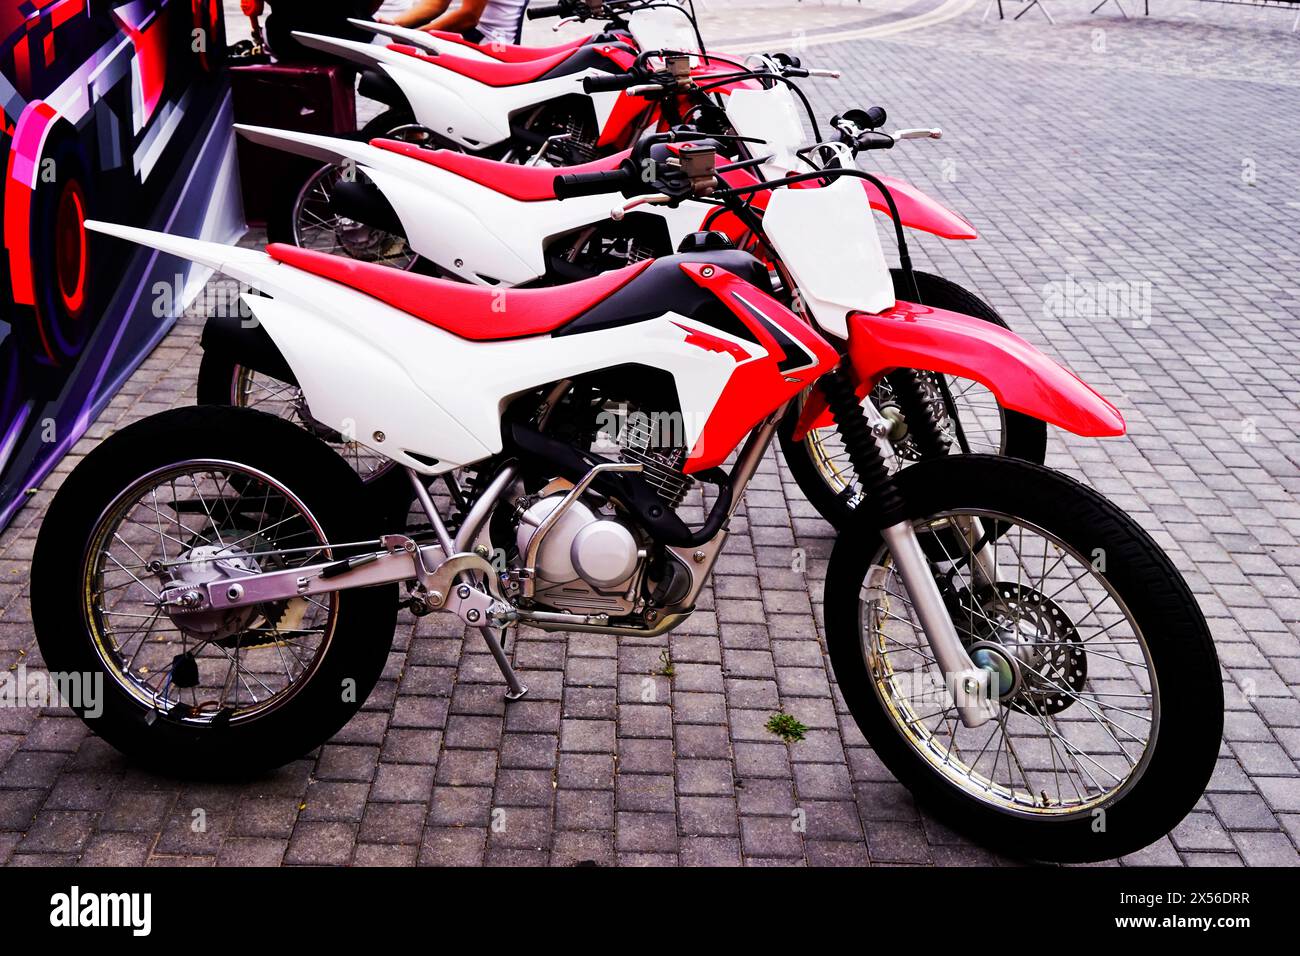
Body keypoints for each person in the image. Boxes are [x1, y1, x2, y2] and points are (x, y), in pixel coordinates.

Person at [377, 0, 528, 45]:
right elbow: (435, 4)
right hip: (476, 39)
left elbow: (468, 17)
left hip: (491, 46)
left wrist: (415, 37)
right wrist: (395, 23)